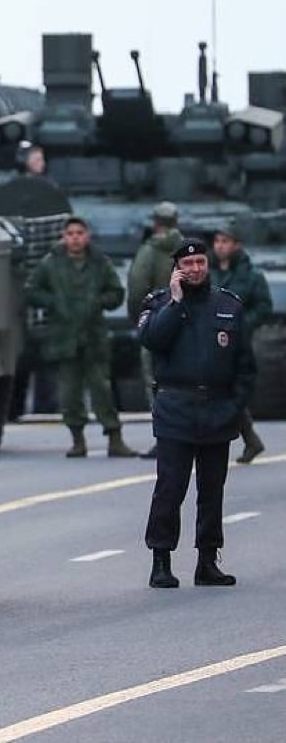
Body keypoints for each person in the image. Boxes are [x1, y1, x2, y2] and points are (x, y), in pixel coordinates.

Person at [138, 239, 255, 588]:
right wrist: (174, 303)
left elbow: (245, 365)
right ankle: (161, 559)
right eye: (187, 264)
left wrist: (235, 407)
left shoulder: (228, 305)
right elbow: (152, 340)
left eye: (200, 262)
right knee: (170, 488)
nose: (194, 269)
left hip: (217, 409)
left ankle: (208, 559)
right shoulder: (159, 304)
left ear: (208, 265)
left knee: (211, 490)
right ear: (176, 268)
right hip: (176, 407)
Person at [25, 216, 138, 457]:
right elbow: (32, 290)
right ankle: (78, 439)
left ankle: (114, 437)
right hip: (64, 335)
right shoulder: (51, 263)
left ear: (87, 237)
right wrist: (53, 303)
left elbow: (116, 292)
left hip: (93, 334)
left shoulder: (99, 263)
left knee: (102, 389)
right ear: (64, 238)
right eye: (70, 234)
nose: (75, 238)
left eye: (79, 233)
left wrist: (99, 302)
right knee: (69, 392)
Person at [209, 224, 272, 464]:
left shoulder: (251, 276)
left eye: (225, 241)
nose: (220, 246)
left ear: (237, 245)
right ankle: (251, 439)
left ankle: (249, 439)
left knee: (231, 390)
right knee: (220, 389)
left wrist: (242, 324)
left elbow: (263, 307)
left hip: (239, 341)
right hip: (211, 338)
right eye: (217, 241)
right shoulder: (209, 273)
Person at [126, 201, 183, 460]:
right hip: (186, 321)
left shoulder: (149, 251)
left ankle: (165, 439)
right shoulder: (188, 248)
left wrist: (139, 318)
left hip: (157, 320)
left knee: (155, 381)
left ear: (156, 223)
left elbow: (138, 286)